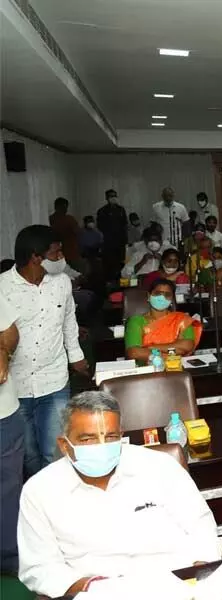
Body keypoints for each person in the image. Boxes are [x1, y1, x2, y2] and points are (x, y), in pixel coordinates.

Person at [17, 391, 222, 598]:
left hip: (176, 583)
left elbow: (201, 525)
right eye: (88, 439)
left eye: (110, 437)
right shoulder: (40, 490)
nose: (101, 446)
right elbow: (39, 566)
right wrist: (88, 586)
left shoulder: (160, 467)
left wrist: (201, 572)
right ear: (64, 445)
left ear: (121, 436)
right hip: (99, 591)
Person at [0, 226, 88, 477]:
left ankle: (55, 507)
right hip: (16, 386)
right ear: (36, 256)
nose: (62, 257)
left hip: (54, 378)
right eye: (56, 252)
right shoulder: (3, 287)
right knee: (28, 456)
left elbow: (69, 320)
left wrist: (76, 356)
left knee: (54, 452)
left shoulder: (61, 283)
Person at [125, 279, 201, 362]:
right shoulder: (136, 321)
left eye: (167, 294)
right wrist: (169, 355)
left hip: (177, 368)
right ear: (148, 296)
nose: (162, 297)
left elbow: (187, 346)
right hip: (147, 369)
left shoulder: (182, 319)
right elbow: (134, 352)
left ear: (172, 299)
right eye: (157, 293)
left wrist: (151, 347)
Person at [0, 294, 22, 575]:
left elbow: (9, 331)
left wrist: (3, 350)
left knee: (7, 485)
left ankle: (9, 555)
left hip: (2, 413)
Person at [96, 189, 128, 275]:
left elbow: (125, 224)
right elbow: (100, 226)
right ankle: (109, 283)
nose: (113, 198)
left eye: (114, 196)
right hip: (108, 243)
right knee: (109, 265)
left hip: (120, 242)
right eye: (111, 196)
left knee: (121, 264)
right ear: (106, 198)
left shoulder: (121, 209)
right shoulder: (102, 211)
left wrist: (125, 240)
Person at [49, 197, 81, 265]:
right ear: (56, 207)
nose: (65, 209)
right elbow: (78, 232)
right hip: (68, 253)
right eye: (63, 207)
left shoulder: (51, 219)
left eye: (66, 207)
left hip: (63, 252)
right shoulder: (69, 219)